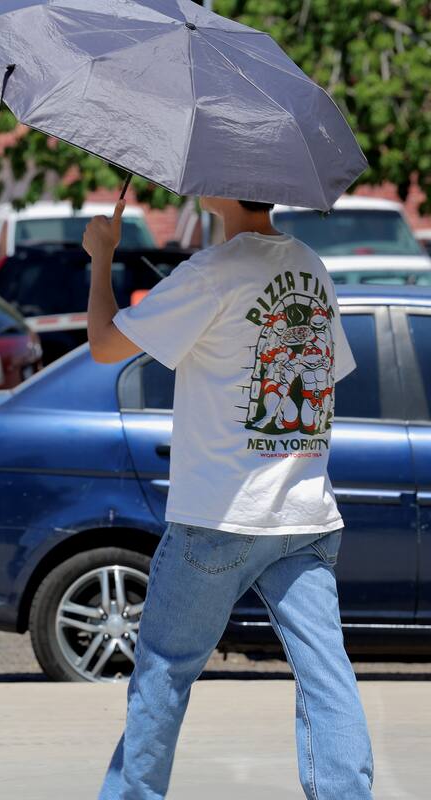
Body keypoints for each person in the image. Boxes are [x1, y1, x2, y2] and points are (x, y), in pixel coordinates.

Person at [84, 196, 373, 799]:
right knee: (326, 676)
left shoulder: (212, 271)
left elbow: (107, 346)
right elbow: (324, 374)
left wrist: (102, 257)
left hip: (220, 514)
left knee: (163, 673)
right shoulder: (311, 268)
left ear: (219, 188)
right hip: (305, 512)